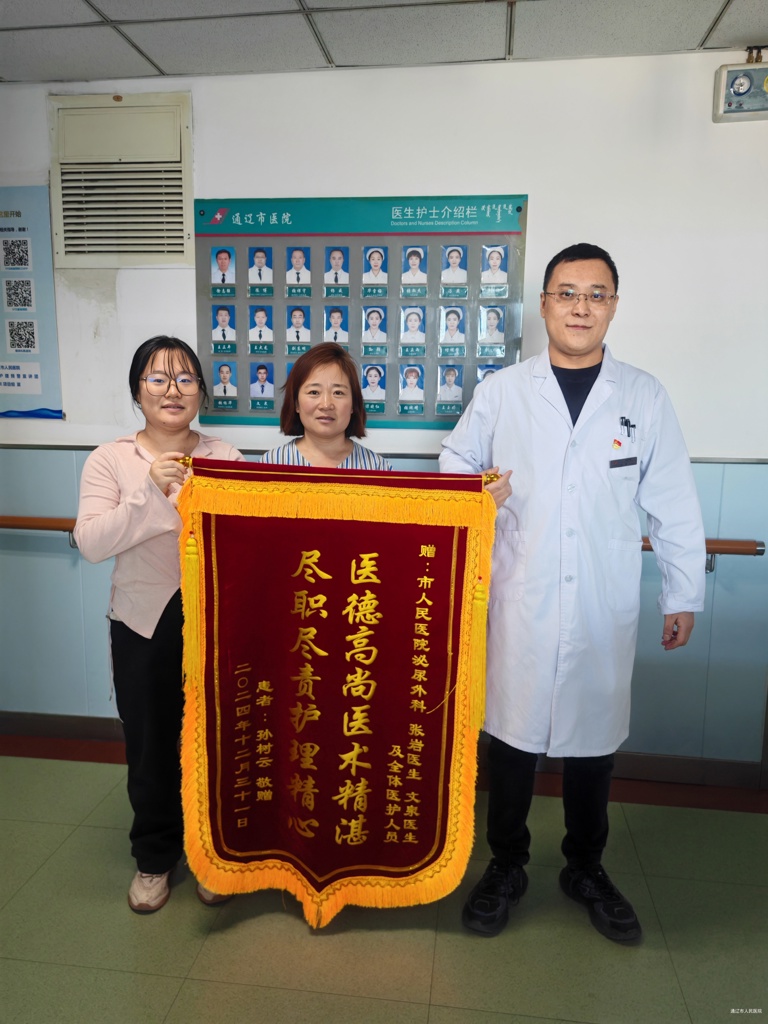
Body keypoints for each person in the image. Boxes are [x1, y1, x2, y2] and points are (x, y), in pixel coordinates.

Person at [440, 243, 706, 944]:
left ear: (613, 306)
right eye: (567, 293)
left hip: (600, 602)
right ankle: (506, 865)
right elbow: (455, 460)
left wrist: (681, 592)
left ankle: (585, 867)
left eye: (596, 294)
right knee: (512, 740)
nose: (581, 307)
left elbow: (673, 499)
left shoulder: (642, 395)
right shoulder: (504, 391)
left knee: (594, 744)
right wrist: (479, 491)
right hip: (520, 595)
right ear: (545, 305)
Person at [74, 336, 245, 914]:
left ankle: (214, 854)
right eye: (158, 378)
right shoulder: (111, 458)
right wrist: (149, 492)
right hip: (141, 622)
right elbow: (91, 542)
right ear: (137, 391)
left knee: (216, 742)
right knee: (150, 746)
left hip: (215, 623)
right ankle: (154, 858)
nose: (173, 390)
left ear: (202, 392)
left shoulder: (225, 456)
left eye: (186, 378)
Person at [261, 343, 392, 470]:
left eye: (338, 393)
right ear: (296, 403)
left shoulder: (377, 468)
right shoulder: (270, 465)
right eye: (314, 392)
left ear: (353, 404)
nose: (326, 405)